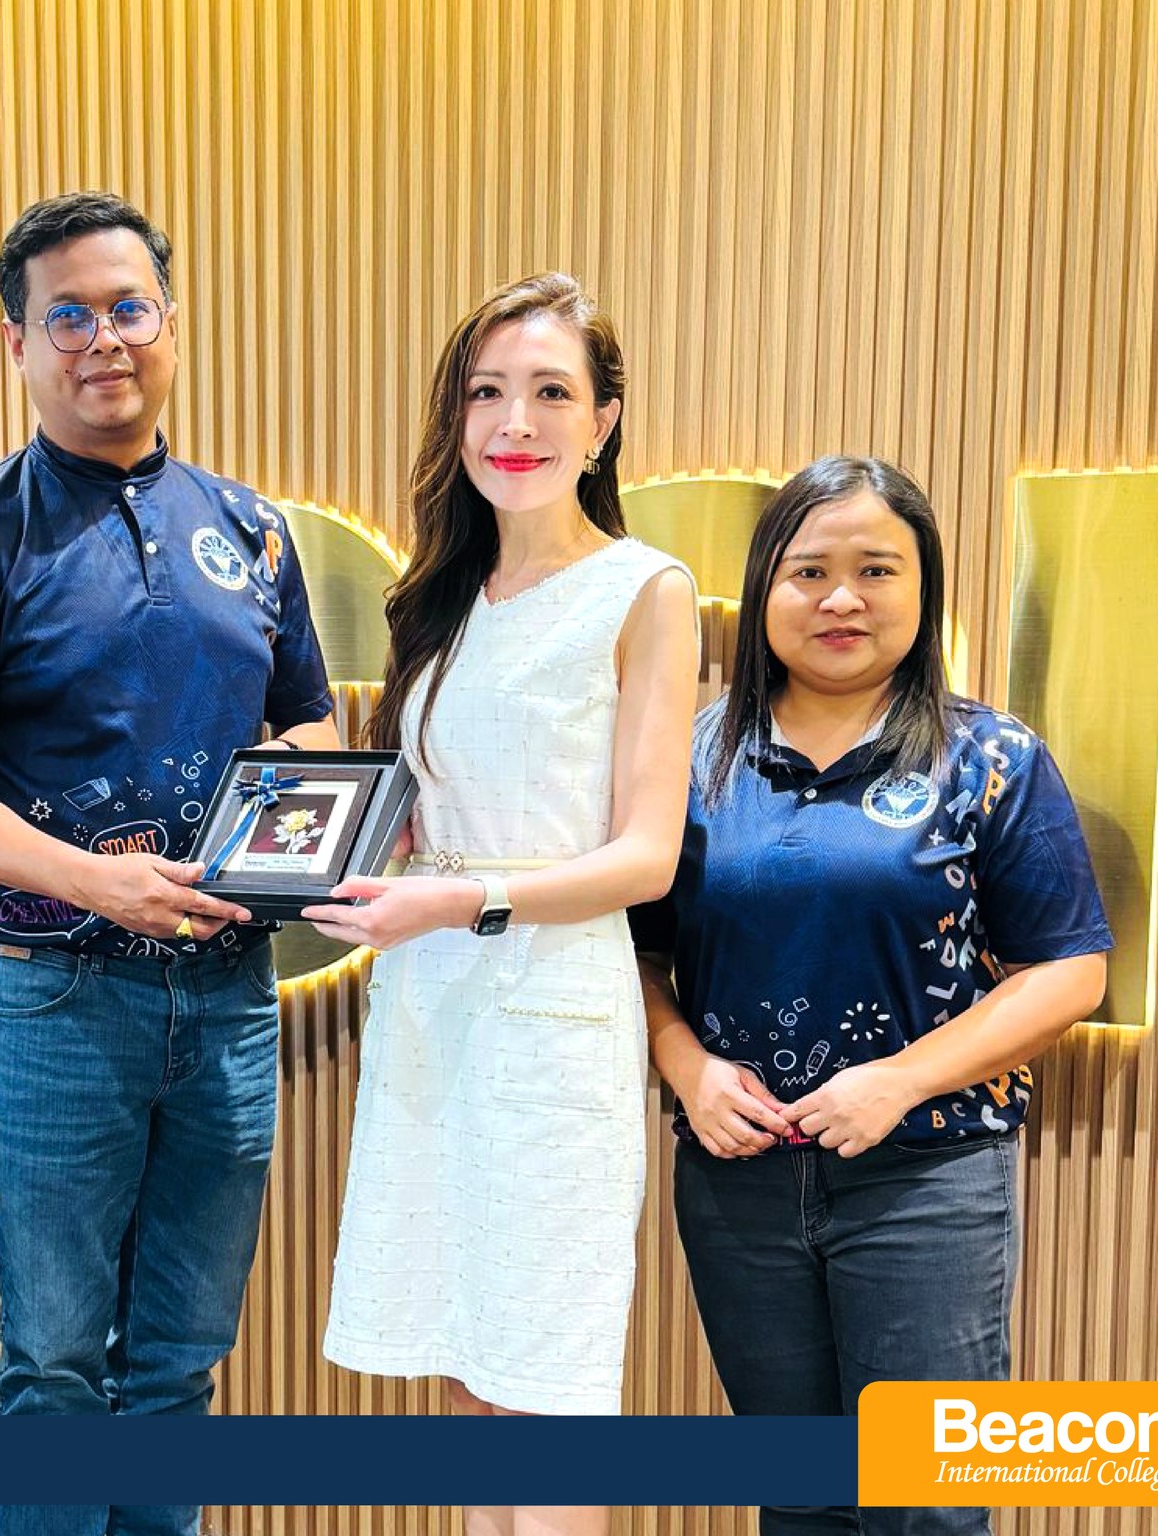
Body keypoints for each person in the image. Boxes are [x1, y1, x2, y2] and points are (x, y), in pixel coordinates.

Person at [0, 191, 337, 1536]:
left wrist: (280, 834)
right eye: (67, 316)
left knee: (180, 1361)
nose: (105, 340)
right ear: (16, 342)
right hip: (52, 999)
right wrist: (96, 880)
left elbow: (308, 728)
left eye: (129, 308)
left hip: (228, 1001)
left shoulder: (250, 527)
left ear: (171, 323)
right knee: (57, 1367)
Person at [631, 455, 1113, 1536]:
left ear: (921, 588)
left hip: (925, 1179)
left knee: (923, 1507)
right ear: (762, 590)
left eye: (876, 570)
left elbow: (1069, 968)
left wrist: (897, 1081)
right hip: (738, 1184)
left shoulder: (988, 756)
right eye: (808, 571)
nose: (840, 599)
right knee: (800, 1499)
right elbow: (634, 956)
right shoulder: (688, 761)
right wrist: (686, 1068)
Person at [309, 273, 699, 1536]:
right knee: (472, 1378)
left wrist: (453, 899)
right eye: (485, 393)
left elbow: (643, 858)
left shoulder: (643, 588)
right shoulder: (438, 598)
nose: (513, 422)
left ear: (603, 421)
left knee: (547, 1379)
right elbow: (429, 805)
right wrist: (355, 846)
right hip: (436, 1017)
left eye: (549, 393)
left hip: (550, 1016)